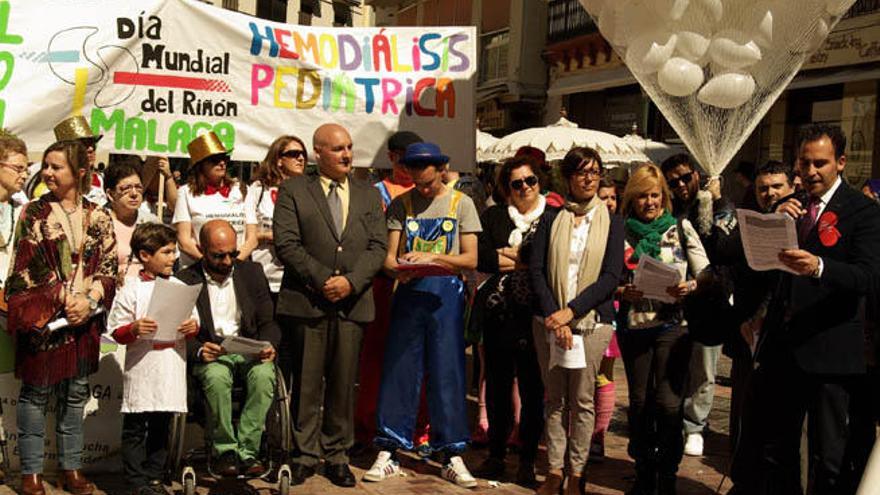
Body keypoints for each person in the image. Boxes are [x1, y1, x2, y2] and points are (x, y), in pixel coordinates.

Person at [735, 125, 880, 495]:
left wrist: (819, 267)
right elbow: (744, 256)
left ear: (841, 163)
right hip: (783, 348)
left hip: (831, 351)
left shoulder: (862, 210)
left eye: (820, 163)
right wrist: (771, 218)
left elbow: (868, 276)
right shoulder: (791, 205)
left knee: (828, 455)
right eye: (804, 162)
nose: (811, 171)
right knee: (775, 449)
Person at [273, 123, 387, 487]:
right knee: (307, 381)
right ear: (318, 151)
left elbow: (378, 247)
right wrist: (324, 280)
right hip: (308, 301)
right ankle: (305, 453)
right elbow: (287, 244)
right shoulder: (293, 190)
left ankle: (337, 454)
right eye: (338, 149)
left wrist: (350, 282)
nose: (347, 155)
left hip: (352, 303)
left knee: (342, 382)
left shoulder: (368, 193)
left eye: (350, 147)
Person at [365, 142, 481, 488]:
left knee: (448, 373)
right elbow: (389, 256)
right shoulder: (402, 204)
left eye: (427, 176)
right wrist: (397, 270)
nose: (421, 183)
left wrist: (436, 261)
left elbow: (471, 258)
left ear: (442, 169)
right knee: (400, 370)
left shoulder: (463, 204)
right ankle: (389, 447)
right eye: (414, 173)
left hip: (446, 296)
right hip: (410, 295)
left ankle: (451, 452)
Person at [6, 141, 117, 495]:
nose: (47, 173)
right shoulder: (33, 214)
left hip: (84, 321)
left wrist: (91, 299)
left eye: (57, 167)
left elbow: (110, 266)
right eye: (46, 166)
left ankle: (71, 468)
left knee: (75, 395)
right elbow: (22, 269)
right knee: (35, 395)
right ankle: (31, 472)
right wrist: (63, 296)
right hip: (45, 321)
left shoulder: (99, 215)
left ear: (79, 173)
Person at [528, 148, 624, 495]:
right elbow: (537, 269)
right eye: (582, 172)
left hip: (592, 321)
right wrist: (557, 315)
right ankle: (555, 469)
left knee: (582, 400)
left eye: (595, 172)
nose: (589, 178)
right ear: (568, 177)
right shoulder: (552, 217)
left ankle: (576, 472)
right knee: (554, 399)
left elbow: (611, 276)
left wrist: (571, 312)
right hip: (549, 320)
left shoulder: (612, 221)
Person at [617, 163, 709, 495]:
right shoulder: (621, 232)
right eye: (642, 196)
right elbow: (608, 276)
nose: (649, 202)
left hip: (674, 324)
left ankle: (667, 473)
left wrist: (691, 286)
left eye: (655, 195)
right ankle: (643, 470)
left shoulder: (680, 228)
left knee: (669, 404)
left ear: (664, 197)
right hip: (635, 325)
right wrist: (620, 291)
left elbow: (705, 272)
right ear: (632, 198)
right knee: (641, 402)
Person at [176, 219, 280, 478]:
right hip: (211, 352)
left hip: (247, 348)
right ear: (201, 249)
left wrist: (268, 346)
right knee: (217, 376)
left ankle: (248, 451)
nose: (226, 261)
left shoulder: (252, 272)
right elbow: (177, 332)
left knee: (265, 375)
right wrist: (199, 350)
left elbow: (269, 322)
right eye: (218, 255)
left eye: (232, 253)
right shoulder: (185, 280)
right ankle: (225, 451)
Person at [354, 130, 433, 451]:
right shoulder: (374, 193)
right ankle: (367, 428)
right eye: (403, 157)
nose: (410, 164)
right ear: (391, 157)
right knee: (375, 360)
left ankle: (420, 428)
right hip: (383, 286)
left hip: (423, 284)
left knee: (421, 359)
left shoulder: (430, 192)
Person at [107, 223, 199, 495]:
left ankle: (155, 476)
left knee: (162, 423)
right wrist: (134, 329)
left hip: (170, 362)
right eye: (167, 252)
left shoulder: (181, 286)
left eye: (174, 252)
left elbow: (195, 322)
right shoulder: (132, 289)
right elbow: (115, 330)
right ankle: (136, 481)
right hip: (143, 364)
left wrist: (191, 327)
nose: (173, 258)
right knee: (137, 425)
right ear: (145, 255)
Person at [472, 156, 547, 485]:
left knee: (533, 391)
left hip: (536, 315)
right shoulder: (494, 216)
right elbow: (483, 257)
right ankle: (496, 454)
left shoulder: (553, 217)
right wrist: (524, 260)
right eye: (517, 183)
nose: (525, 188)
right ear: (506, 188)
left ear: (538, 182)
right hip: (498, 313)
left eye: (529, 181)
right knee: (498, 389)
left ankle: (528, 459)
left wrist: (515, 257)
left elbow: (543, 260)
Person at [660, 154, 735, 457]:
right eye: (673, 181)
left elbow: (724, 250)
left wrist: (714, 202)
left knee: (704, 367)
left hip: (709, 299)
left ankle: (695, 425)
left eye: (684, 177)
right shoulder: (671, 210)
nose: (680, 185)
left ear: (697, 175)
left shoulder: (719, 205)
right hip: (675, 300)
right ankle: (673, 420)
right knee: (674, 363)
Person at [173, 132, 257, 267]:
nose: (222, 163)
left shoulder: (242, 190)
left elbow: (252, 239)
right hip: (200, 267)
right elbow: (184, 241)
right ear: (200, 165)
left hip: (237, 267)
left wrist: (232, 264)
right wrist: (211, 264)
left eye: (224, 158)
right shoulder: (185, 192)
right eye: (215, 160)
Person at [245, 134, 308, 298]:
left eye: (303, 154)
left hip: (297, 279)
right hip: (263, 276)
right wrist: (267, 236)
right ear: (279, 160)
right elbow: (247, 234)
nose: (301, 158)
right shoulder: (258, 190)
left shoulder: (308, 191)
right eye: (294, 154)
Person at [591, 176, 624, 461]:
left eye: (612, 197)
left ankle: (598, 436)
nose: (609, 202)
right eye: (603, 197)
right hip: (581, 309)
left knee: (603, 375)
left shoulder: (620, 229)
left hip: (609, 310)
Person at [104, 163, 160, 283]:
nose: (134, 194)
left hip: (147, 289)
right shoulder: (99, 222)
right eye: (126, 189)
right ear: (110, 194)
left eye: (138, 187)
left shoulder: (152, 222)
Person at [53, 115, 108, 207]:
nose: (91, 149)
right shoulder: (53, 183)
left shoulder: (100, 179)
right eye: (83, 145)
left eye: (93, 144)